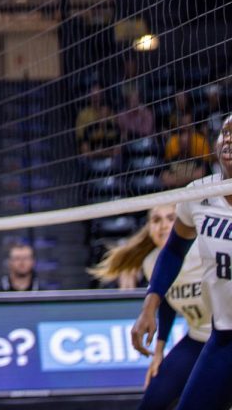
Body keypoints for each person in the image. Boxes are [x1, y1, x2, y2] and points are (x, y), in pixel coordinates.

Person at [131, 117, 232, 410]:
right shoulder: (198, 195)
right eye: (225, 133)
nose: (228, 140)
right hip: (223, 336)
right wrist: (149, 306)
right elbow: (174, 251)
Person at [98, 205, 208, 410]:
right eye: (156, 220)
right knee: (153, 399)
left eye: (170, 218)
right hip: (197, 338)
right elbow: (166, 303)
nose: (163, 225)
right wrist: (159, 352)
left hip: (224, 337)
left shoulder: (205, 250)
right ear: (148, 228)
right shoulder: (151, 262)